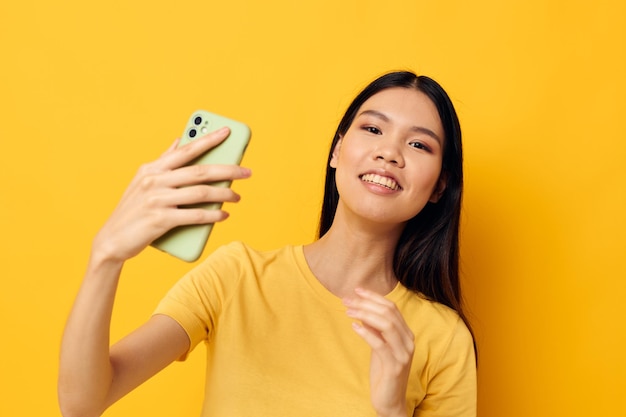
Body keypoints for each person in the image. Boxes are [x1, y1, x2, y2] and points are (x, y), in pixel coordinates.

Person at [58, 71, 477, 417]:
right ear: (337, 151)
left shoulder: (443, 339)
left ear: (440, 184)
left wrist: (391, 410)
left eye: (418, 144)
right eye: (372, 129)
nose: (389, 152)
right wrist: (105, 256)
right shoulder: (236, 276)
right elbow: (82, 403)